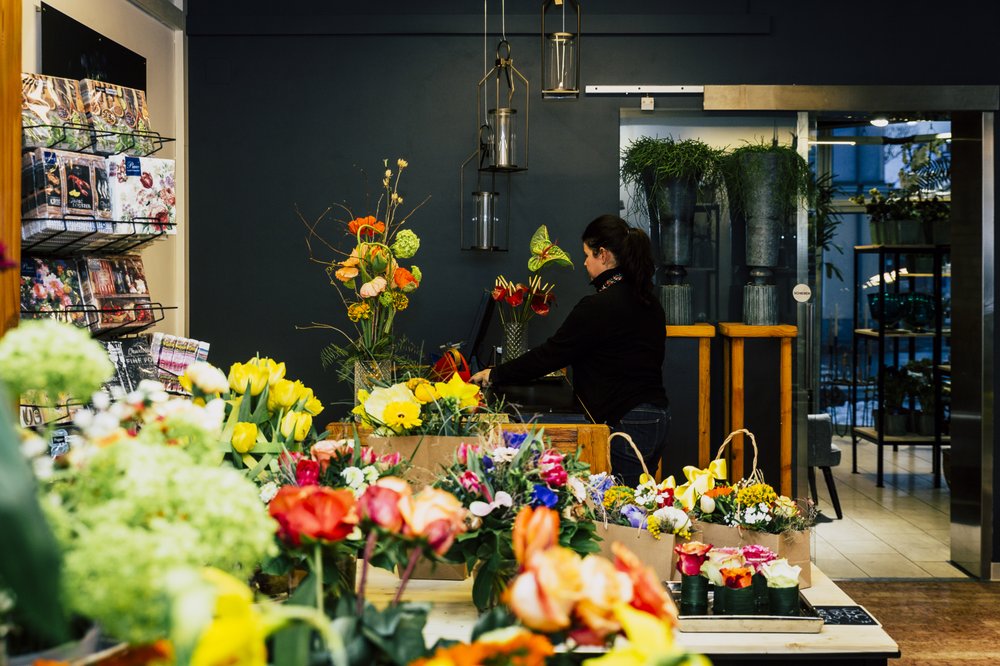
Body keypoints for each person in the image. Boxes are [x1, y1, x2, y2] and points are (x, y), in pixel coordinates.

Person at [470, 214, 669, 487]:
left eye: (587, 255)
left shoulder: (599, 306)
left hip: (627, 420)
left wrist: (495, 374)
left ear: (603, 255)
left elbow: (551, 354)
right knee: (639, 500)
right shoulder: (648, 300)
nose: (585, 263)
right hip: (655, 417)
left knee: (619, 504)